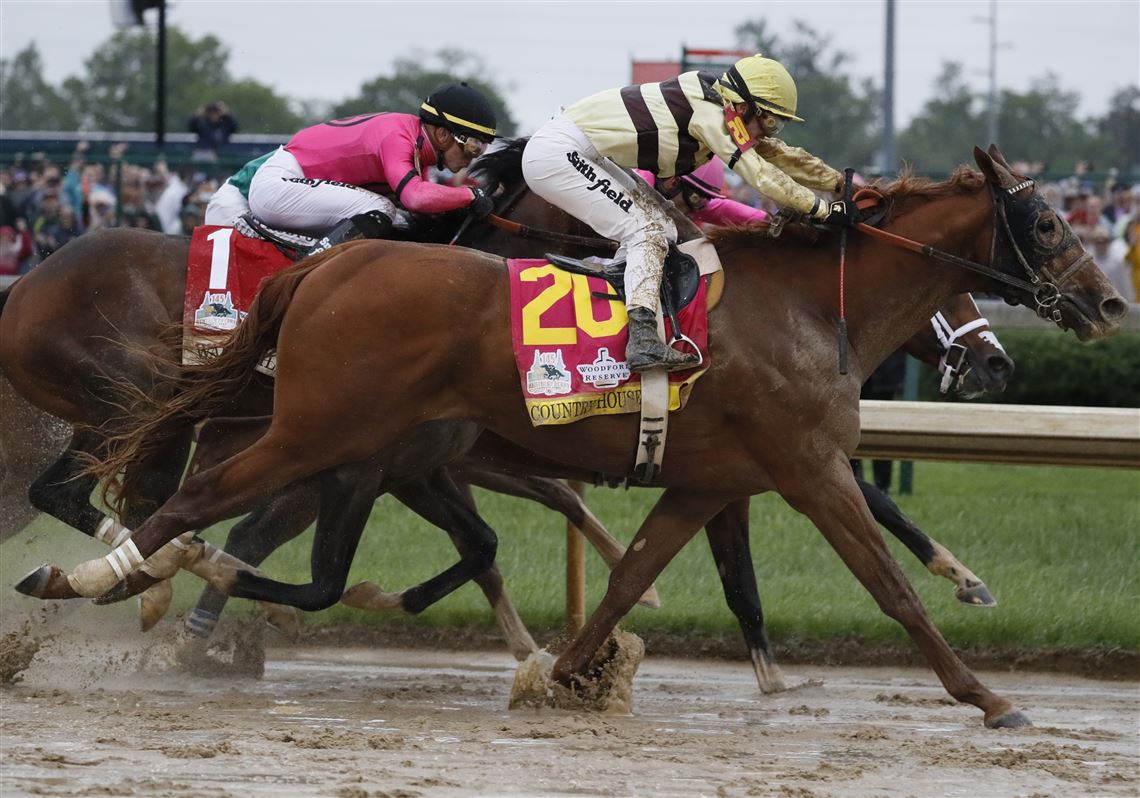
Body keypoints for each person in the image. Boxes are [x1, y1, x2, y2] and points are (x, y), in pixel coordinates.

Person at [522, 54, 851, 372]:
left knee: (665, 228)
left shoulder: (721, 109)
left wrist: (838, 182)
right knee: (646, 232)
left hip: (580, 151)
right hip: (558, 153)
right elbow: (759, 173)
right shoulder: (709, 115)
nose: (770, 131)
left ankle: (622, 305)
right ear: (742, 105)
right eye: (770, 121)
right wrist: (821, 208)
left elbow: (780, 156)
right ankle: (642, 340)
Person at [211, 83, 498, 256]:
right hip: (270, 188)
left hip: (282, 185)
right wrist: (469, 197)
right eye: (473, 146)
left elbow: (422, 210)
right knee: (383, 209)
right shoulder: (398, 136)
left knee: (397, 222)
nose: (473, 158)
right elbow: (416, 198)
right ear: (443, 135)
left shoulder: (416, 147)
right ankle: (306, 277)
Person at [636, 158, 769, 230]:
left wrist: (771, 221)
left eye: (698, 205)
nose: (689, 214)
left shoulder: (689, 203)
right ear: (673, 182)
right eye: (693, 200)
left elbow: (724, 209)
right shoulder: (635, 185)